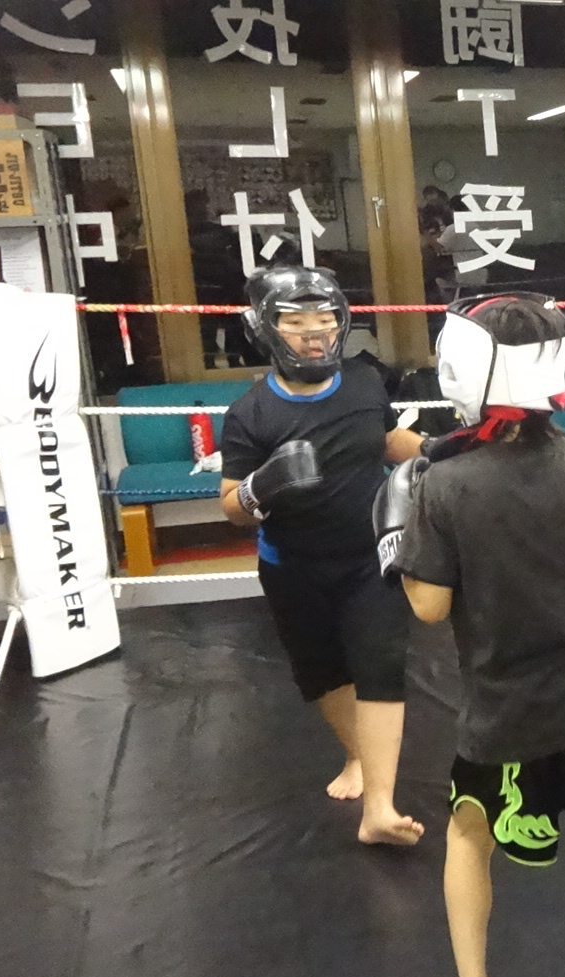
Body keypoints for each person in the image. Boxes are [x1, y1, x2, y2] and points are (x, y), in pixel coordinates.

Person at [376, 294, 565, 977]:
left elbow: (427, 607)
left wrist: (396, 539)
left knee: (468, 837)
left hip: (500, 717)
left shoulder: (444, 487)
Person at [219, 265, 426, 846]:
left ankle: (379, 807)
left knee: (379, 665)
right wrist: (263, 485)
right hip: (293, 566)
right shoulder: (250, 414)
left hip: (369, 558)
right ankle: (357, 754)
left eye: (325, 318)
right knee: (323, 675)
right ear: (265, 329)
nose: (314, 333)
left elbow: (386, 440)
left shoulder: (364, 383)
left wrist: (440, 449)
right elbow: (231, 507)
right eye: (295, 321)